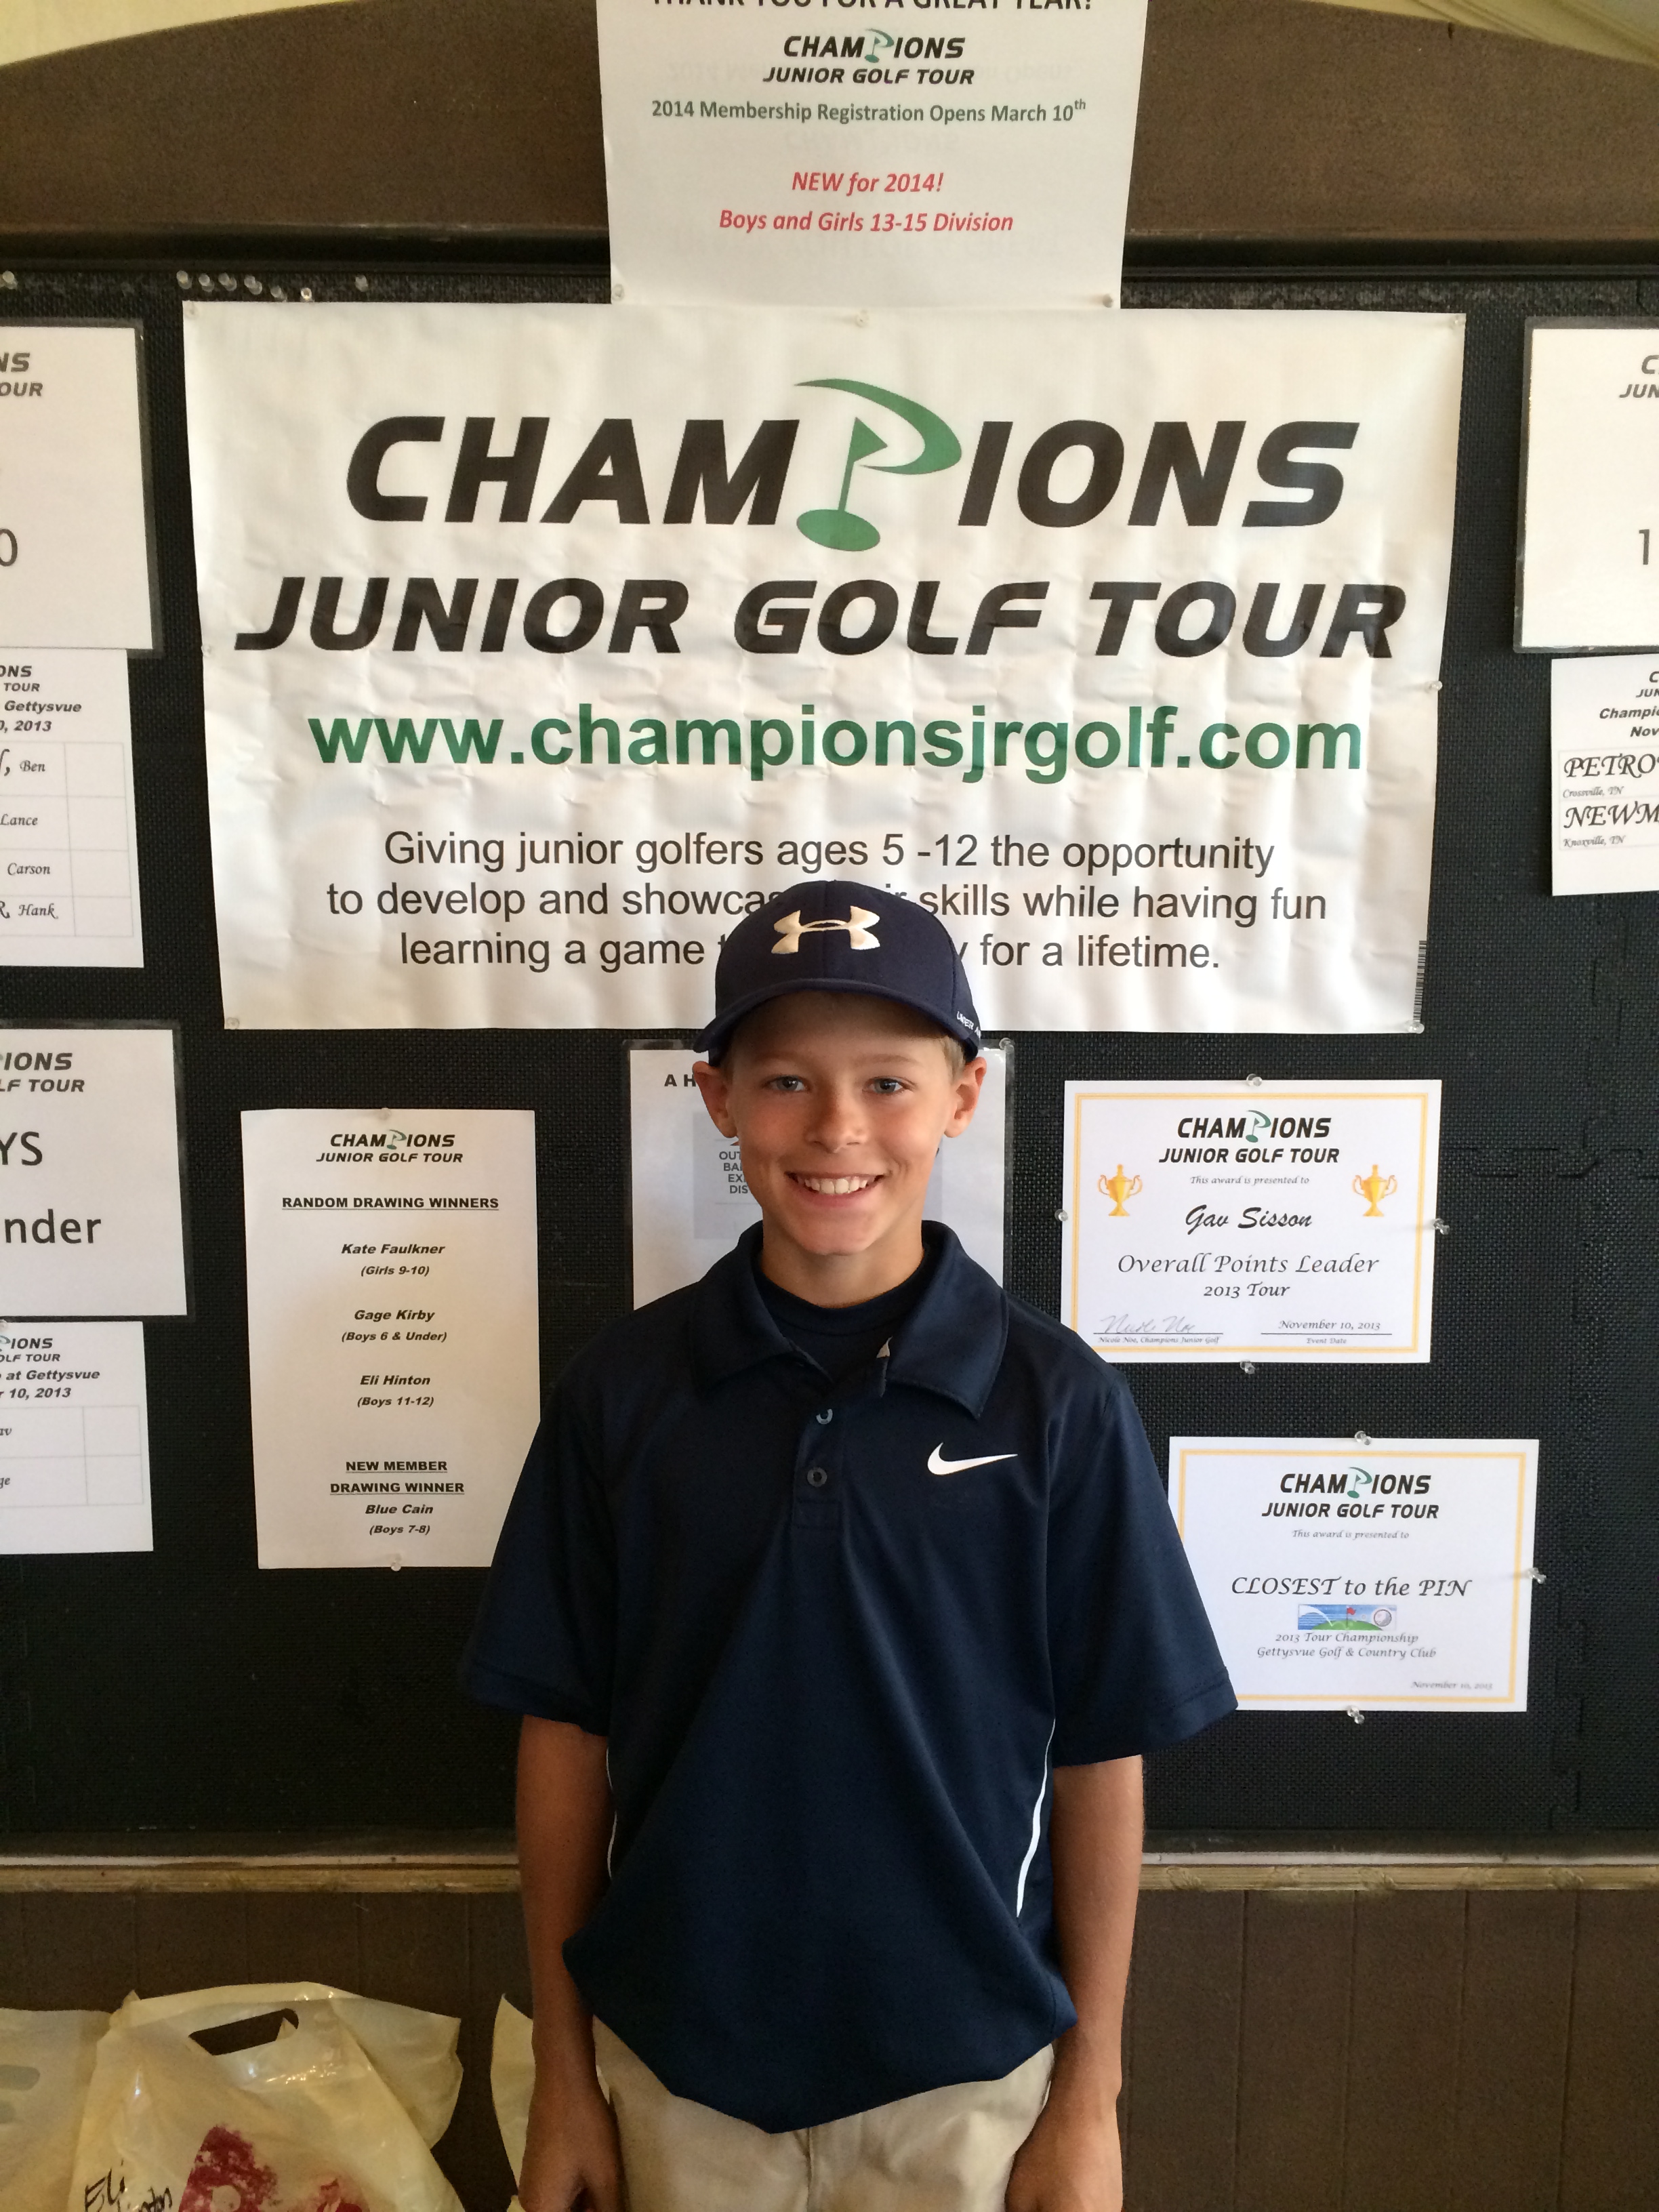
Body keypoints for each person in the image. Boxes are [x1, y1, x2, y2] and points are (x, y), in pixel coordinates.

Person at [463, 880, 1235, 2212]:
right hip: (676, 2077)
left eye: (888, 1082)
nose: (836, 1130)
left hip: (966, 2086)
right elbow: (562, 1739)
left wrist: (1089, 2098)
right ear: (715, 1097)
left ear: (963, 1096)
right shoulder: (626, 1394)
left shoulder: (1057, 1404)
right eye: (784, 1083)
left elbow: (1103, 1757)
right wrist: (566, 2077)